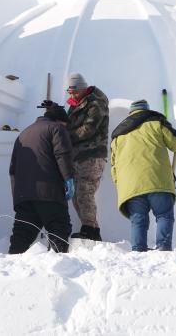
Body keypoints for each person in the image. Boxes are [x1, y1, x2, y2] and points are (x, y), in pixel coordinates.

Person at [110, 99, 176, 252]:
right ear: (146, 111)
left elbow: (114, 167)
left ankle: (138, 250)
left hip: (130, 186)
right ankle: (163, 248)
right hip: (157, 181)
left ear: (131, 114)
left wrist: (121, 184)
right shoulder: (156, 123)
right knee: (164, 215)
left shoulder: (118, 136)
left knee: (138, 220)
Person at [8, 100, 75, 253]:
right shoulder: (57, 128)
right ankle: (59, 266)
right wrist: (69, 179)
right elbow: (62, 155)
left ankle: (10, 266)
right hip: (49, 193)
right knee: (60, 229)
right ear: (60, 121)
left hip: (24, 196)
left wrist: (18, 196)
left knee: (21, 236)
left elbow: (12, 169)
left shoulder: (23, 133)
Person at [64, 72, 109, 242]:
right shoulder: (77, 103)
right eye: (69, 92)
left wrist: (65, 136)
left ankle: (90, 230)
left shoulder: (96, 103)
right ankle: (90, 229)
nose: (71, 95)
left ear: (82, 89)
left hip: (91, 155)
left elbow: (88, 129)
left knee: (84, 192)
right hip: (79, 156)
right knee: (77, 195)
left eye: (73, 92)